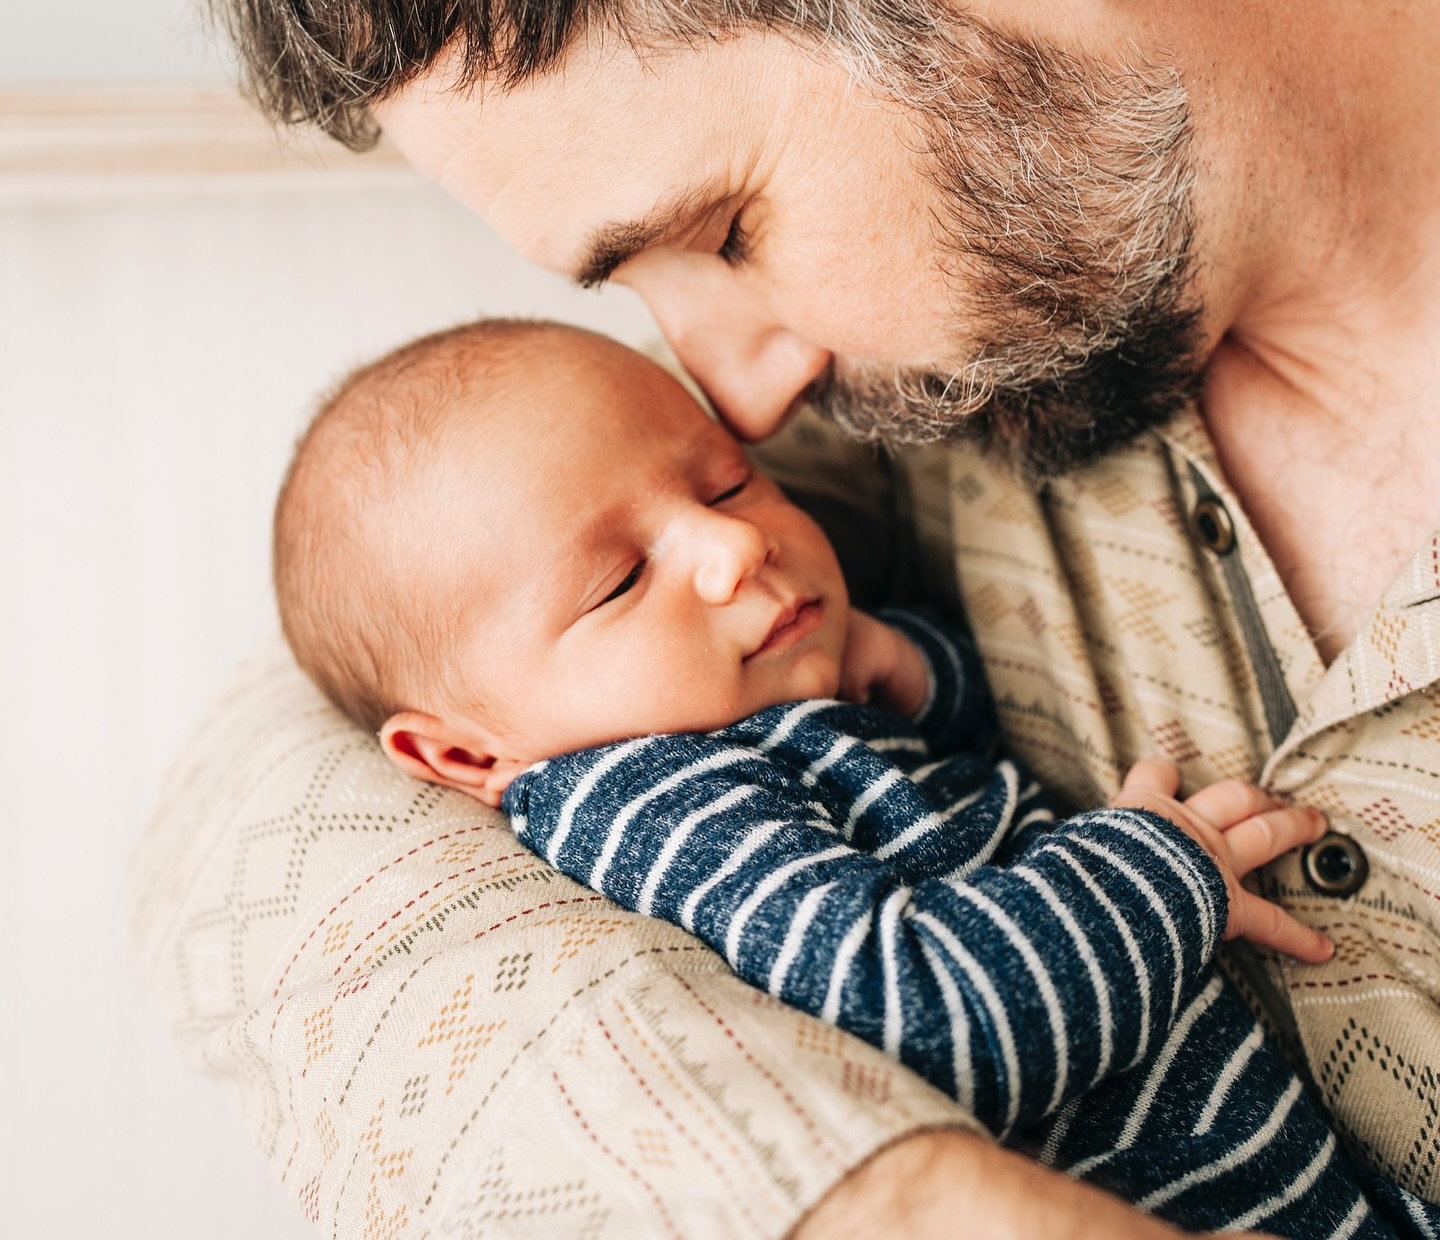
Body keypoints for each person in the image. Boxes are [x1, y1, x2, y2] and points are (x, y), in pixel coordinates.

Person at [197, 0, 1440, 1232]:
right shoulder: (964, 375)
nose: (738, 397)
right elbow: (267, 821)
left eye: (723, 231)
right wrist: (875, 1196)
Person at [274, 313, 1438, 1239]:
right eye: (621, 583)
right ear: (464, 753)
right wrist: (1152, 875)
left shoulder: (750, 710)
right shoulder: (656, 804)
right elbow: (924, 1019)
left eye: (728, 485)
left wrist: (912, 672)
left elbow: (940, 790)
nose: (735, 548)